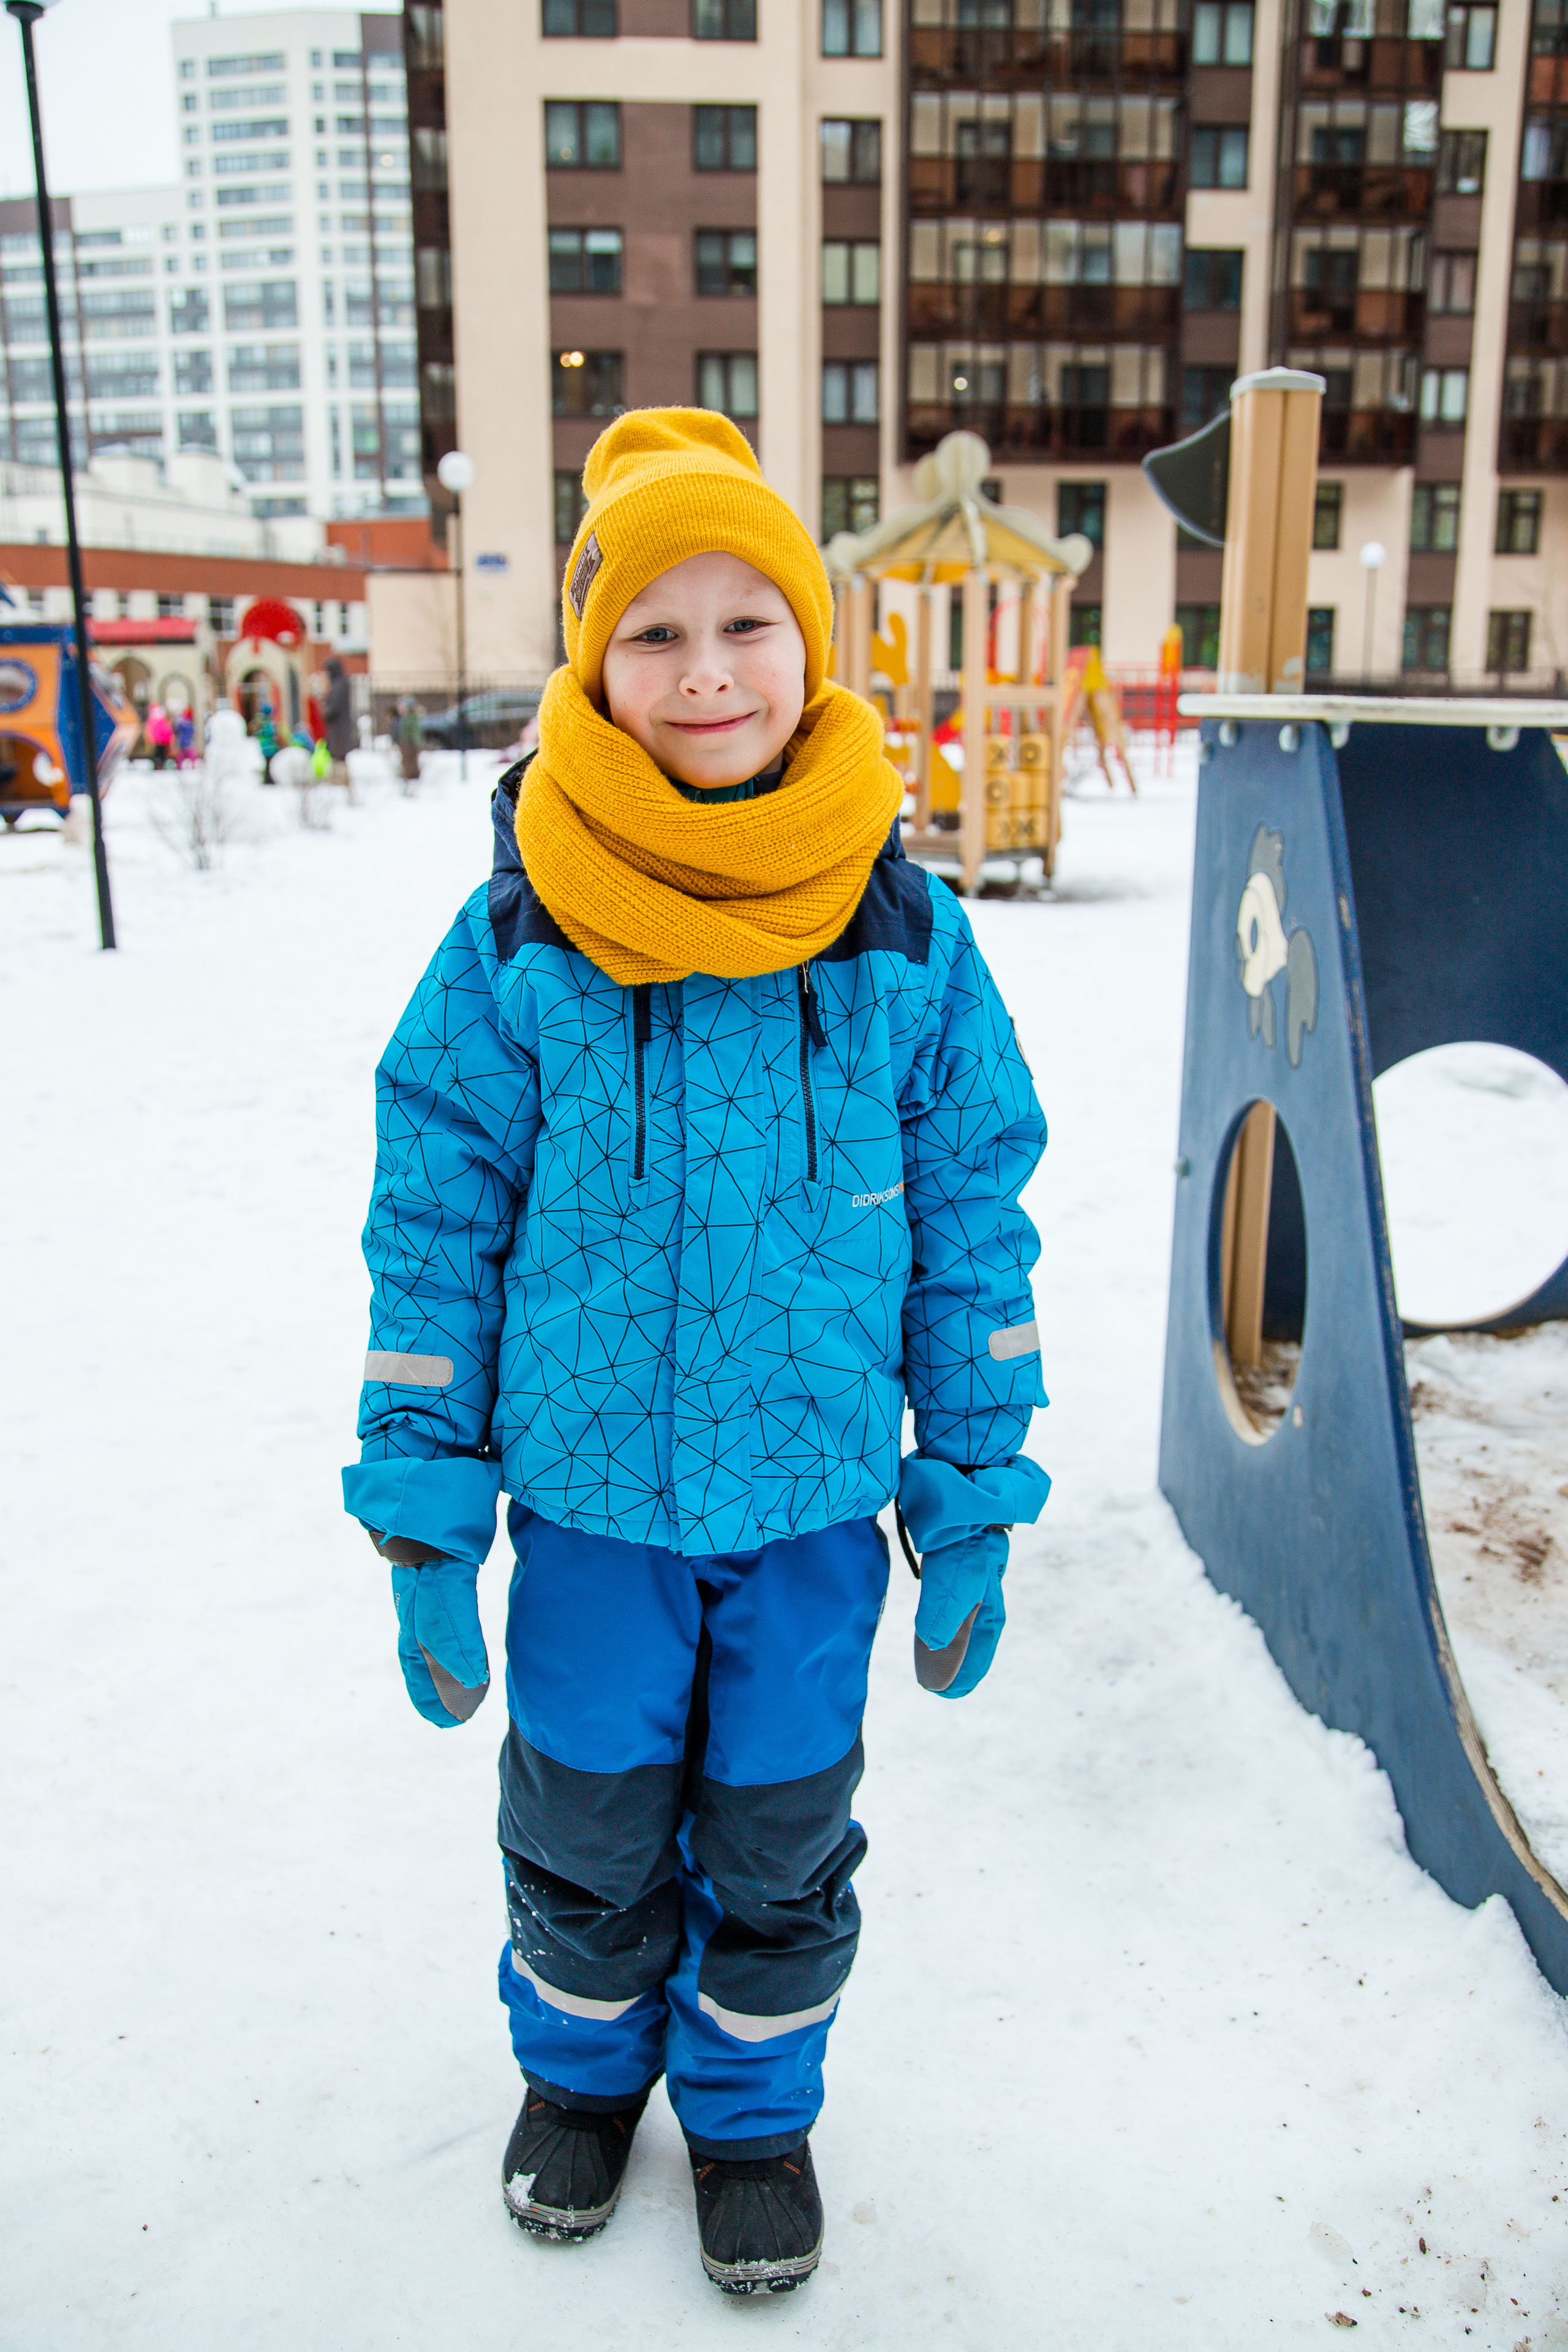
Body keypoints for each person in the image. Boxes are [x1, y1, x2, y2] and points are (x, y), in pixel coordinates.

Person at [342, 410, 1049, 2297]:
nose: (706, 669)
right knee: (582, 1832)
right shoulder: (523, 930)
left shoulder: (903, 937)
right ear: (596, 668)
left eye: (747, 620)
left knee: (780, 1842)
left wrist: (973, 1487)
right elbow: (435, 1220)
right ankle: (579, 2079)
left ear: (811, 642)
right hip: (592, 1513)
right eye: (652, 632)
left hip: (812, 1510)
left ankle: (750, 2115)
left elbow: (972, 1216)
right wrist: (424, 1508)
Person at [322, 654, 354, 793]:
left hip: (339, 728)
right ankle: (340, 779)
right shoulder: (339, 684)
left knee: (339, 755)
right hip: (338, 728)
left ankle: (340, 780)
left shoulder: (339, 685)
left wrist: (325, 711)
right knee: (337, 755)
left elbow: (334, 708)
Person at [395, 694, 424, 790]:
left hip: (410, 745)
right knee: (406, 763)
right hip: (406, 744)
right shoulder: (404, 718)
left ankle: (411, 780)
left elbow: (414, 733)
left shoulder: (411, 718)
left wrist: (415, 744)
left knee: (410, 763)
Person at [145, 703, 173, 770]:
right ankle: (160, 766)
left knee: (159, 754)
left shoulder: (154, 719)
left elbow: (151, 730)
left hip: (160, 740)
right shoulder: (161, 719)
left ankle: (159, 766)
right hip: (163, 740)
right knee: (161, 754)